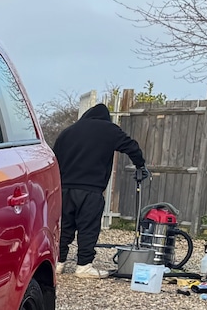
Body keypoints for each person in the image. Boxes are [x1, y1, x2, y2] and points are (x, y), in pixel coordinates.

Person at [52, 102, 147, 278]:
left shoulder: (68, 132)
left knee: (64, 226)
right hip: (91, 189)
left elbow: (53, 158)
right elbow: (132, 146)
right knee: (88, 227)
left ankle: (58, 262)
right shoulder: (109, 129)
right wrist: (140, 165)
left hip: (64, 188)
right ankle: (83, 266)